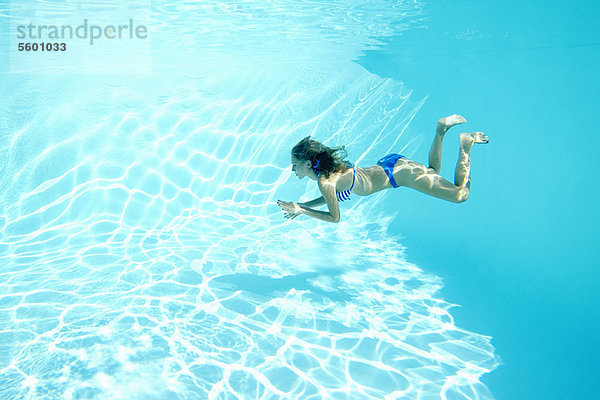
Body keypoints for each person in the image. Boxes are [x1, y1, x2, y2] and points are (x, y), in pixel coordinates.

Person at [277, 115, 489, 223]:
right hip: (391, 164)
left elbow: (335, 218)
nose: (292, 170)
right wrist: (302, 204)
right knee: (433, 171)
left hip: (398, 173)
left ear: (307, 164)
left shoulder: (325, 181)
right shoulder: (329, 171)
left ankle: (466, 144)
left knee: (460, 195)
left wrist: (302, 210)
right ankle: (440, 130)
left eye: (294, 165)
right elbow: (332, 195)